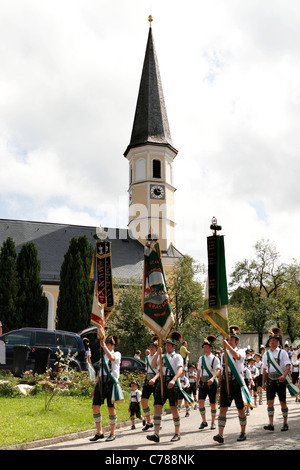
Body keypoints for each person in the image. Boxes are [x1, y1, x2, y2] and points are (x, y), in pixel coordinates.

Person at [146, 331, 184, 443]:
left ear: (173, 346)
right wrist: (158, 353)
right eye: (165, 345)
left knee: (173, 407)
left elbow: (180, 370)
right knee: (157, 406)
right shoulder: (161, 356)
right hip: (161, 382)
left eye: (168, 345)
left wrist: (173, 380)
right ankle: (156, 433)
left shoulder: (177, 356)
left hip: (172, 382)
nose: (166, 346)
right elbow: (153, 366)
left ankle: (177, 433)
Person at [213, 326, 247, 444]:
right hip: (226, 383)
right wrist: (219, 385)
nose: (229, 341)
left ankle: (243, 432)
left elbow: (236, 356)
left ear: (236, 341)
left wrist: (226, 346)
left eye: (232, 339)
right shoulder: (223, 354)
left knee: (240, 409)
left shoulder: (241, 351)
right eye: (228, 339)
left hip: (237, 383)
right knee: (223, 408)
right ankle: (220, 434)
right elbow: (222, 370)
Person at [89, 335, 123, 442]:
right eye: (106, 344)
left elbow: (112, 359)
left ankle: (112, 433)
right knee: (95, 406)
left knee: (110, 407)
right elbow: (99, 373)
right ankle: (99, 432)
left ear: (113, 346)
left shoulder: (116, 354)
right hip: (101, 382)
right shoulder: (102, 357)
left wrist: (103, 347)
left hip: (110, 382)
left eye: (109, 344)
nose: (107, 346)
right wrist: (95, 388)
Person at [262, 327, 291, 432]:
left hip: (280, 380)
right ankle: (271, 423)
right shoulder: (266, 354)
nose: (272, 342)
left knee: (282, 402)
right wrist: (263, 382)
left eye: (274, 340)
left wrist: (284, 376)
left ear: (277, 341)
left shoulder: (283, 352)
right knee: (270, 402)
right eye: (270, 341)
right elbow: (264, 369)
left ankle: (285, 423)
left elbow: (288, 366)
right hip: (270, 379)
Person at [197, 335, 221, 430]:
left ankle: (213, 422)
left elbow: (218, 370)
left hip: (212, 382)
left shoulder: (215, 358)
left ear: (210, 348)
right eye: (203, 347)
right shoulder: (201, 358)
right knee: (200, 402)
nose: (204, 348)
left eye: (206, 347)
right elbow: (199, 370)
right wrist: (197, 381)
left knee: (212, 403)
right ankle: (204, 421)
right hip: (203, 382)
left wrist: (213, 378)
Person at [141, 337, 159, 431]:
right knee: (143, 400)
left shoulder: (159, 356)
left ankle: (157, 422)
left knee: (157, 403)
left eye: (153, 347)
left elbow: (160, 371)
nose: (151, 348)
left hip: (156, 380)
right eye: (150, 347)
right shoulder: (147, 357)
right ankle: (149, 422)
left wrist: (154, 379)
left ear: (156, 348)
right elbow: (147, 369)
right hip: (148, 379)